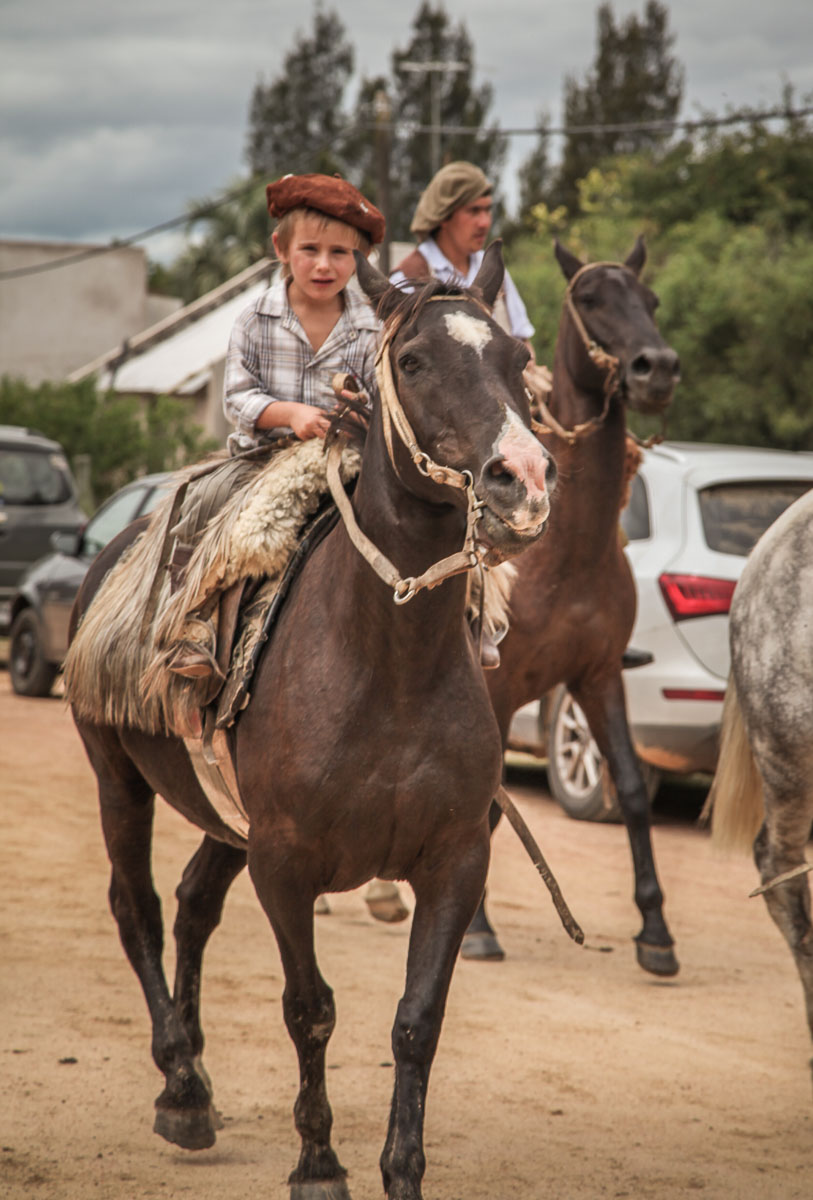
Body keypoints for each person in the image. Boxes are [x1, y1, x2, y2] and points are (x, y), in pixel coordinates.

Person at [166, 172, 385, 679]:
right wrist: (290, 414)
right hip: (260, 461)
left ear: (359, 259)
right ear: (281, 249)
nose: (324, 264)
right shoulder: (254, 319)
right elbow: (237, 398)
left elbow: (383, 400)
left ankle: (470, 618)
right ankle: (191, 623)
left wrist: (358, 411)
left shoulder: (374, 326)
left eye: (340, 253)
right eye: (310, 249)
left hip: (348, 461)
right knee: (200, 504)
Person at [390, 160, 535, 351]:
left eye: (487, 210)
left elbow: (523, 341)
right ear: (444, 216)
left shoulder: (493, 269)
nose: (484, 222)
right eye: (474, 211)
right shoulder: (408, 279)